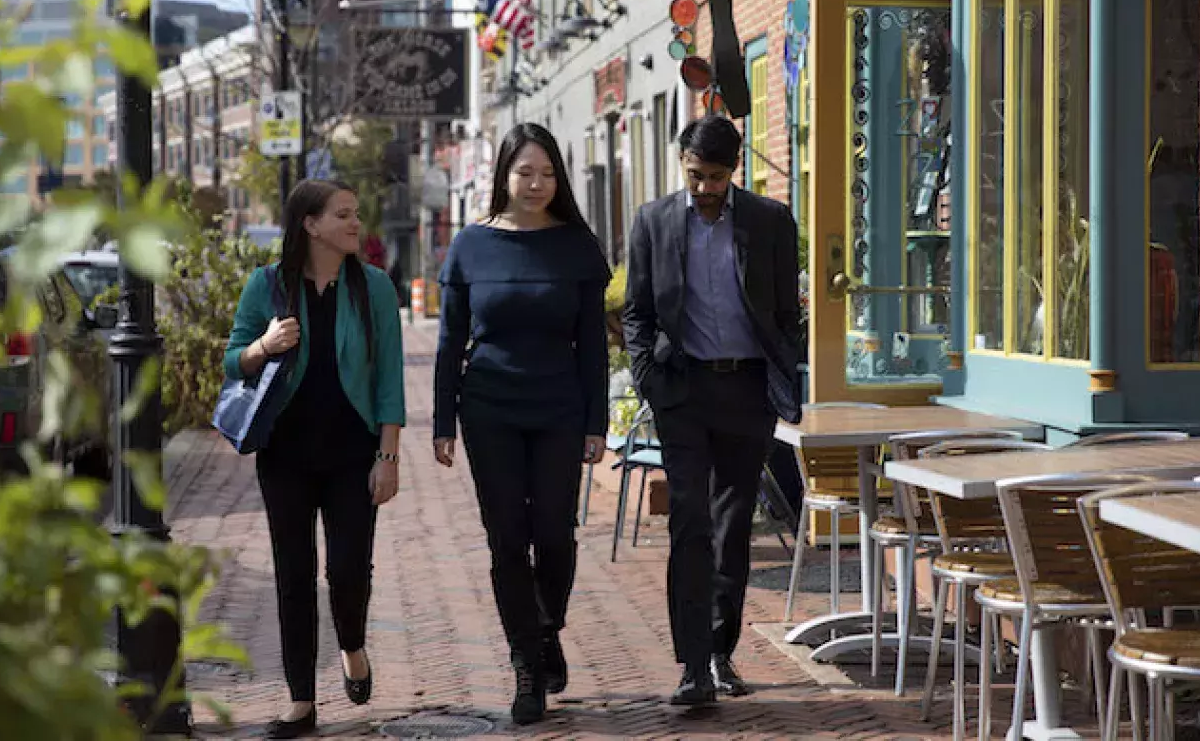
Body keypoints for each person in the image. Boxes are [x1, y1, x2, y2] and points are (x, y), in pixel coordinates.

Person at [622, 115, 803, 707]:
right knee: (689, 523)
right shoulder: (652, 222)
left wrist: (788, 366)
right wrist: (648, 377)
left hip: (746, 392)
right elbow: (637, 312)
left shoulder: (770, 221)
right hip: (683, 391)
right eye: (696, 175)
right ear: (682, 163)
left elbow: (785, 313)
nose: (704, 188)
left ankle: (722, 655)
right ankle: (693, 665)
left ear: (735, 169)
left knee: (732, 528)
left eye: (717, 177)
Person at [432, 123, 610, 725]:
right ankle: (527, 666)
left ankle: (546, 625)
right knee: (508, 539)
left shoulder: (577, 247)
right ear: (503, 175)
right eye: (525, 172)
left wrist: (596, 422)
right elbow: (450, 339)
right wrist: (441, 421)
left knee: (555, 533)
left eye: (547, 174)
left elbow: (592, 346)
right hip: (488, 409)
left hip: (559, 407)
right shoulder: (470, 246)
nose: (536, 184)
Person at [223, 180, 406, 739]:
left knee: (348, 572)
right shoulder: (268, 285)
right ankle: (300, 701)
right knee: (293, 576)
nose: (356, 224)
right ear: (310, 224)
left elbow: (389, 379)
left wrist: (388, 455)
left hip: (353, 454)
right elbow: (233, 360)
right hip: (285, 456)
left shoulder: (372, 287)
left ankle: (352, 643)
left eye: (356, 213)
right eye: (344, 215)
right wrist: (264, 346)